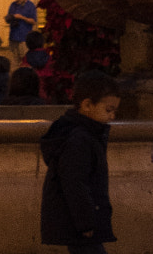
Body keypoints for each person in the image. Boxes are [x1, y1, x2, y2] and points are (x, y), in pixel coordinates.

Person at [40, 69, 121, 254]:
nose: (112, 117)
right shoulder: (80, 138)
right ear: (87, 105)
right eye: (109, 110)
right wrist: (86, 223)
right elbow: (75, 183)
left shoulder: (82, 134)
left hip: (78, 221)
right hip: (80, 224)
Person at [6, 0, 38, 65]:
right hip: (13, 37)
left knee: (25, 60)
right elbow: (9, 16)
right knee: (14, 61)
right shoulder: (13, 5)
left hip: (24, 38)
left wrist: (22, 17)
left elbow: (33, 21)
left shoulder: (30, 5)